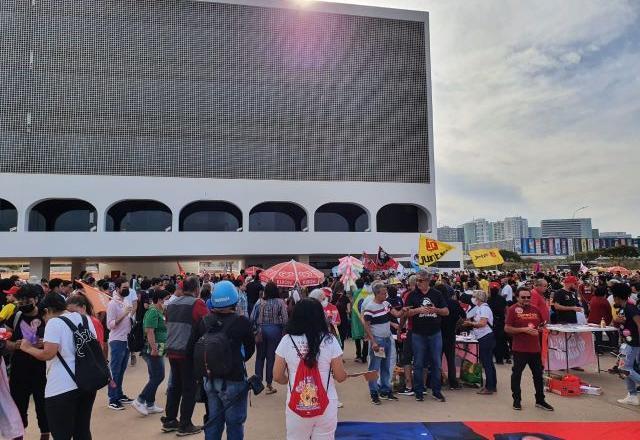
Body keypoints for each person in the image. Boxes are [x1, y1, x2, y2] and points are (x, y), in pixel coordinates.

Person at [18, 293, 99, 438]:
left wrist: (27, 348)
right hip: (86, 382)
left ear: (48, 310)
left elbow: (48, 354)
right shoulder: (84, 318)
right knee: (82, 430)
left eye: (44, 315)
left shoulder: (54, 322)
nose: (44, 319)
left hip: (62, 387)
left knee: (61, 433)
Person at [273, 299, 348, 440]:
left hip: (297, 403)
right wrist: (344, 375)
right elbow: (340, 376)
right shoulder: (329, 340)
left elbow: (277, 376)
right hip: (326, 403)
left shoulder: (287, 340)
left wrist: (291, 380)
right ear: (320, 316)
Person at [198, 281, 256, 440]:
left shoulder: (205, 321)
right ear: (234, 300)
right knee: (235, 423)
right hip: (234, 379)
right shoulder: (241, 321)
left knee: (214, 421)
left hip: (210, 379)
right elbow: (250, 349)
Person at [163, 276, 209, 435]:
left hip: (171, 350)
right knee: (189, 388)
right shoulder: (197, 303)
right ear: (197, 289)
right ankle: (185, 424)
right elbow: (207, 325)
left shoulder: (171, 304)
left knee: (175, 386)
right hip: (187, 352)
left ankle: (170, 420)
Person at [5, 284, 50, 440]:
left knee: (43, 407)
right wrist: (13, 345)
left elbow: (55, 341)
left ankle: (45, 434)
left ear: (36, 299)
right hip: (19, 370)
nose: (24, 304)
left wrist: (43, 343)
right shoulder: (16, 316)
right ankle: (19, 435)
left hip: (42, 371)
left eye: (27, 301)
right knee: (18, 407)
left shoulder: (46, 316)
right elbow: (5, 339)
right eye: (21, 302)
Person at [505, 287, 554, 411]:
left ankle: (540, 400)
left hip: (535, 349)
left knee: (538, 376)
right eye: (523, 297)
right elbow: (507, 328)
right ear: (517, 297)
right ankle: (516, 400)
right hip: (519, 349)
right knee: (516, 375)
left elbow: (540, 325)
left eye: (528, 297)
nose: (526, 299)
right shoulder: (512, 310)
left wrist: (540, 329)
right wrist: (523, 330)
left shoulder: (535, 309)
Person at [405, 270, 449, 402]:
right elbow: (405, 313)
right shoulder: (412, 295)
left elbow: (446, 312)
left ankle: (436, 391)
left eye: (420, 280)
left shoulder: (437, 294)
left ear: (427, 281)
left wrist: (436, 310)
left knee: (436, 362)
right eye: (417, 280)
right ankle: (419, 391)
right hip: (418, 334)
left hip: (435, 333)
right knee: (418, 363)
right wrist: (418, 310)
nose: (417, 283)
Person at [363, 281, 404, 404]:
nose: (385, 295)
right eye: (383, 293)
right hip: (378, 340)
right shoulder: (370, 307)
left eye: (385, 293)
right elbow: (366, 325)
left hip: (386, 338)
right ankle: (374, 392)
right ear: (376, 294)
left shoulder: (386, 304)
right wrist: (373, 341)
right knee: (373, 368)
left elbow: (396, 314)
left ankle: (385, 390)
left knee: (386, 367)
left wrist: (403, 311)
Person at [132, 289, 170, 416]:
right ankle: (140, 400)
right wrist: (153, 348)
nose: (167, 302)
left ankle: (150, 403)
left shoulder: (159, 311)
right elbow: (150, 331)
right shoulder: (153, 312)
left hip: (158, 347)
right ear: (159, 300)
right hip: (152, 349)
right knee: (159, 376)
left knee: (154, 376)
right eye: (166, 299)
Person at [251, 282, 288, 395]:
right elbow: (285, 320)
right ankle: (269, 385)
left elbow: (252, 317)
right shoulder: (280, 302)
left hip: (261, 331)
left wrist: (255, 330)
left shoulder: (259, 302)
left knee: (260, 357)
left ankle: (257, 384)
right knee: (271, 358)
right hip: (275, 331)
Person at [611, 283, 640, 406]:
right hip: (627, 342)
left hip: (633, 343)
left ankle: (633, 394)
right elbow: (618, 322)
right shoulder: (623, 308)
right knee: (627, 368)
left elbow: (639, 323)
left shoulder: (631, 308)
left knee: (625, 368)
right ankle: (632, 395)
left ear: (617, 297)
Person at [463, 290, 497, 394]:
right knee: (489, 362)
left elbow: (482, 323)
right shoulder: (480, 308)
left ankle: (489, 387)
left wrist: (470, 323)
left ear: (478, 298)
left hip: (485, 336)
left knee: (487, 363)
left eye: (474, 297)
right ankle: (492, 384)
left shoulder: (484, 309)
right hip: (484, 336)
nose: (473, 299)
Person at [106, 283, 133, 410]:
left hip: (126, 339)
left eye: (127, 287)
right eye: (124, 287)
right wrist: (124, 314)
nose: (126, 289)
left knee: (122, 370)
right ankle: (112, 398)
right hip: (117, 340)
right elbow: (110, 324)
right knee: (115, 370)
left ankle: (119, 394)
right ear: (117, 289)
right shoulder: (112, 304)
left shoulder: (126, 300)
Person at [437, 284, 465, 389]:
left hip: (437, 334)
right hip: (450, 333)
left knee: (437, 359)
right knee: (451, 359)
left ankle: (437, 381)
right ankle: (453, 382)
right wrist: (456, 326)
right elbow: (463, 316)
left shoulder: (436, 303)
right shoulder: (454, 303)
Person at [488, 282, 509, 365]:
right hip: (501, 321)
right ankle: (507, 357)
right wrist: (506, 320)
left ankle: (499, 359)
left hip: (493, 323)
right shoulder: (502, 299)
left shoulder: (488, 300)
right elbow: (506, 310)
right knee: (503, 340)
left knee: (495, 341)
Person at [351, 279, 371, 363]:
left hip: (356, 316)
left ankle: (358, 355)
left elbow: (353, 303)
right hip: (364, 314)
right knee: (365, 335)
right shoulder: (366, 293)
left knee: (357, 337)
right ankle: (364, 356)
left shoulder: (355, 293)